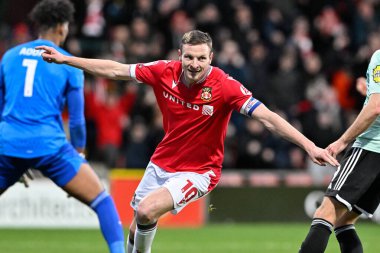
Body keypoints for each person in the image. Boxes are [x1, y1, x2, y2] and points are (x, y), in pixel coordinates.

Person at [36, 30, 339, 253]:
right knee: (136, 227)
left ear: (211, 58)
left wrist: (309, 146)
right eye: (189, 57)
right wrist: (66, 60)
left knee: (145, 212)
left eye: (201, 58)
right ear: (180, 56)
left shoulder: (225, 85)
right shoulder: (162, 71)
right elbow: (115, 69)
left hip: (200, 170)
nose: (195, 64)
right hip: (162, 162)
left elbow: (268, 118)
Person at [0, 1, 125, 253]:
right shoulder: (67, 63)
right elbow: (77, 121)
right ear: (61, 26)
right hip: (50, 146)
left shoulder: (9, 56)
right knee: (102, 201)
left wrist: (15, 157)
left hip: (8, 144)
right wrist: (79, 153)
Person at [298, 51, 380, 253]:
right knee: (344, 220)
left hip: (371, 148)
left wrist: (342, 142)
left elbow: (376, 107)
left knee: (326, 212)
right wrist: (369, 88)